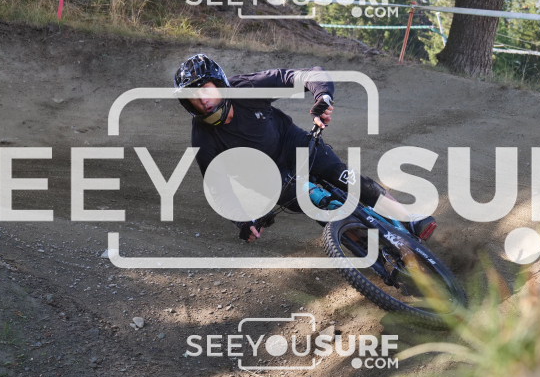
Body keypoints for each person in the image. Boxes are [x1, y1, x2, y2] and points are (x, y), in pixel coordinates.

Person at [173, 54, 436, 242]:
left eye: (205, 89)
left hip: (292, 142)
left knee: (342, 175)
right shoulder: (203, 138)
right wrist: (242, 220)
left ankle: (408, 218)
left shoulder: (247, 88)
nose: (202, 100)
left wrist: (323, 97)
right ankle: (372, 249)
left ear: (219, 83)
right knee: (320, 204)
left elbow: (308, 75)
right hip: (266, 177)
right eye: (193, 97)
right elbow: (218, 188)